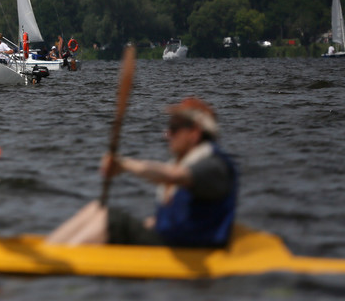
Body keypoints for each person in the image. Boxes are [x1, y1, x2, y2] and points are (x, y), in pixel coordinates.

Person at [46, 97, 237, 248]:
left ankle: (57, 262)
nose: (167, 134)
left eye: (174, 128)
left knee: (111, 220)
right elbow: (179, 214)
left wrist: (124, 165)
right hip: (175, 240)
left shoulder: (213, 166)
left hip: (191, 248)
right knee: (97, 209)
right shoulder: (191, 162)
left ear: (194, 133)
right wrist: (145, 225)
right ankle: (50, 251)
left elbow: (171, 175)